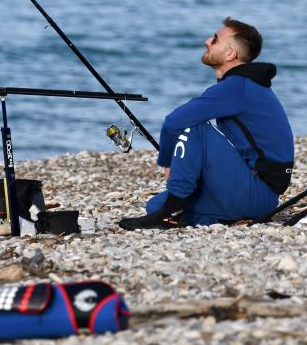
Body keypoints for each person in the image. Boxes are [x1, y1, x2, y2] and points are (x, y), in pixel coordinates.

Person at [119, 17, 294, 229]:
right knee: (155, 205)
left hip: (257, 191)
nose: (207, 41)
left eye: (215, 39)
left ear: (231, 54)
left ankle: (174, 207)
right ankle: (202, 215)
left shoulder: (237, 86)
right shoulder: (245, 84)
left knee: (196, 127)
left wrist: (168, 163)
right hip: (257, 193)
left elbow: (173, 122)